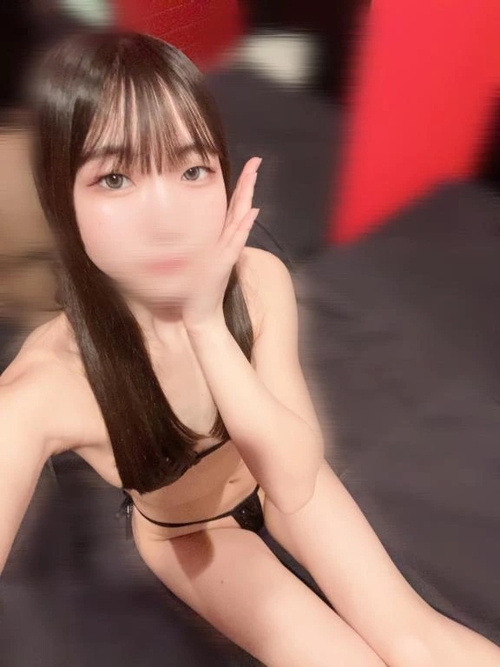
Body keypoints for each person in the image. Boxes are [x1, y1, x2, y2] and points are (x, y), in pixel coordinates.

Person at [0, 29, 499, 667]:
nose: (167, 218)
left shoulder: (259, 280)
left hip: (278, 478)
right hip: (190, 532)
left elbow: (292, 481)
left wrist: (207, 325)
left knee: (416, 638)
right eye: (116, 178)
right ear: (61, 198)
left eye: (193, 170)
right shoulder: (48, 385)